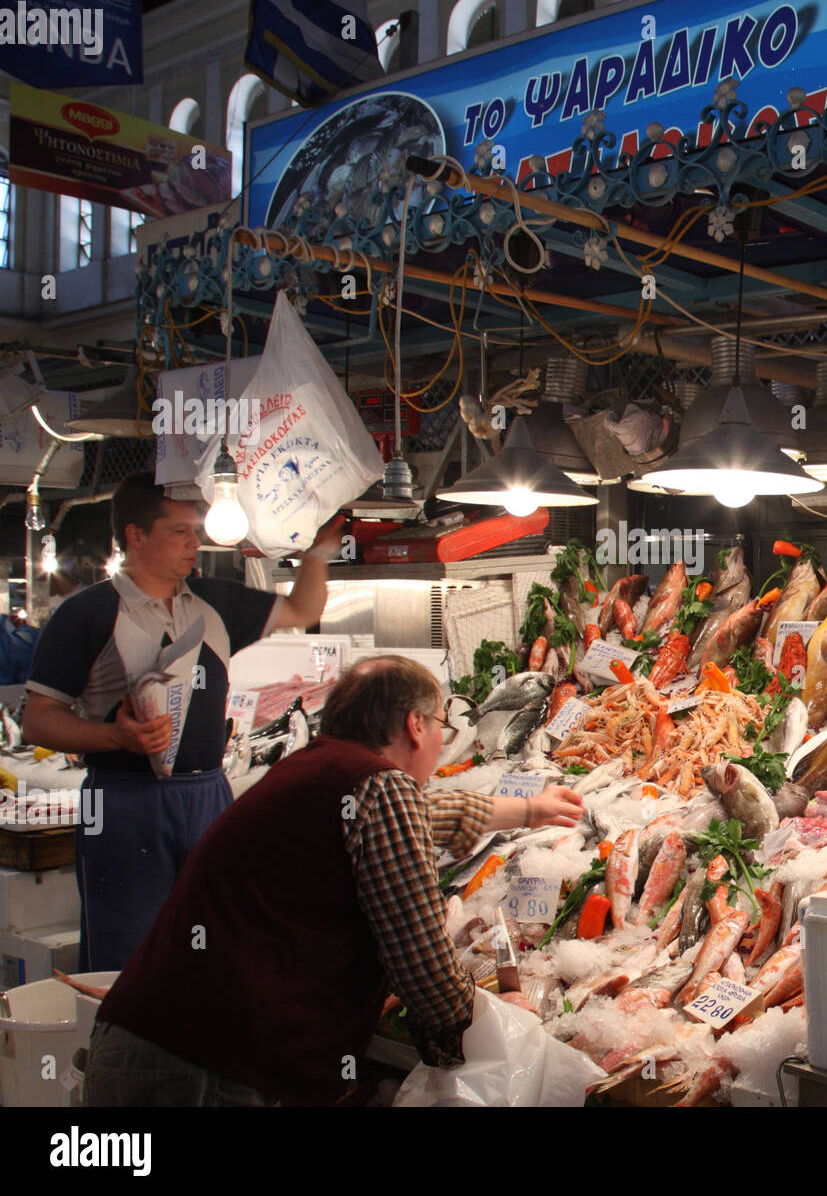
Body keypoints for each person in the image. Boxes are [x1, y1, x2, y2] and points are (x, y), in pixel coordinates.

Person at [83, 656, 584, 1107]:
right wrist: (491, 1030)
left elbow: (424, 814)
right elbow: (423, 965)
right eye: (440, 726)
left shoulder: (322, 772)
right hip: (203, 1073)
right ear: (414, 725)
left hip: (151, 1044)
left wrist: (529, 808)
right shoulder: (380, 787)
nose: (442, 741)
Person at [22, 471, 341, 970]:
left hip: (208, 794)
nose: (196, 543)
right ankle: (114, 1046)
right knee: (123, 957)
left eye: (196, 531)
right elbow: (37, 723)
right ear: (135, 535)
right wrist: (114, 736)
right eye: (180, 532)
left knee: (214, 945)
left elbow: (303, 606)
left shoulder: (217, 599)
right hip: (119, 801)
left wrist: (318, 551)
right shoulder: (87, 613)